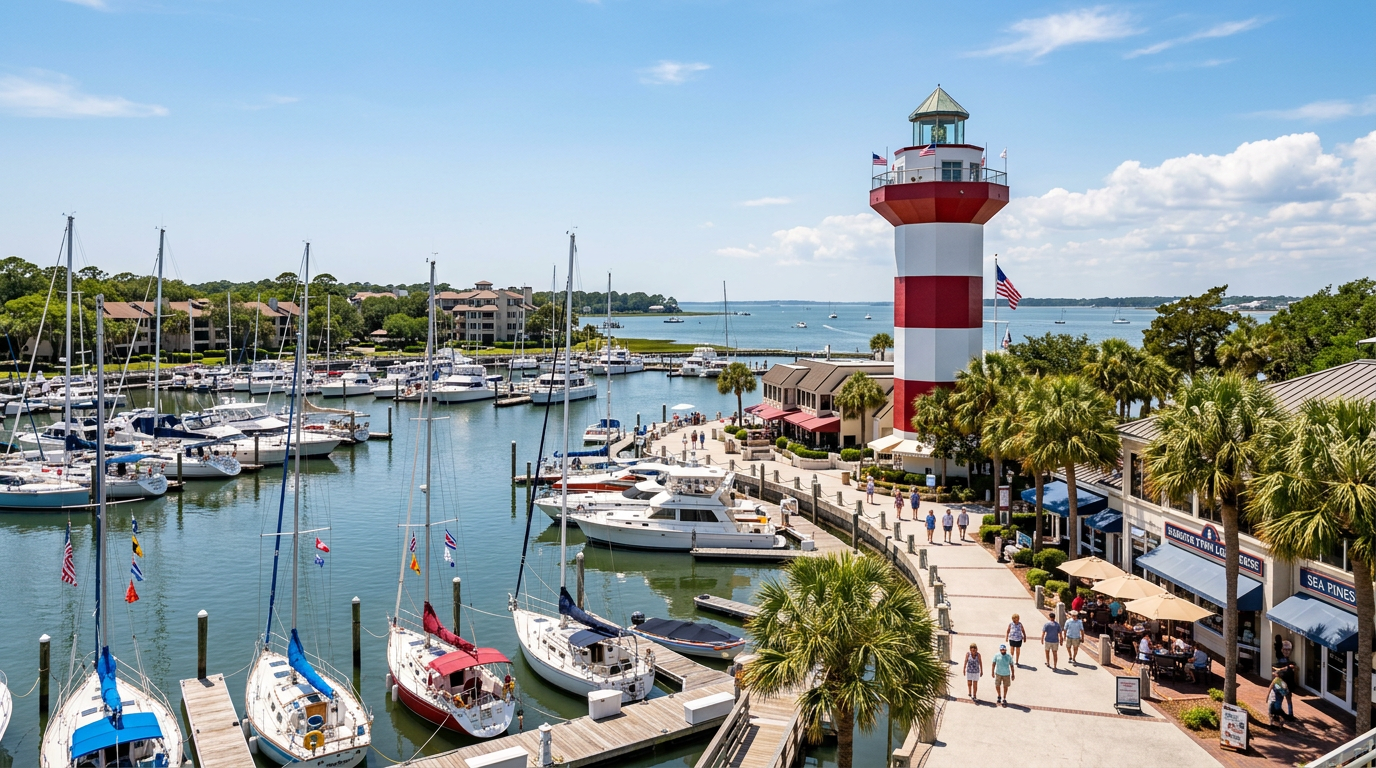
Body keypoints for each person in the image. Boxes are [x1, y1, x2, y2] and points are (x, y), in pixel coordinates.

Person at [1272, 645, 1297, 721]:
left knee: (1285, 699)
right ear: (1282, 650)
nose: (1286, 651)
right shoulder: (1280, 661)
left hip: (1286, 684)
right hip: (1281, 683)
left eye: (1288, 650)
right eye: (1285, 649)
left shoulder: (1290, 663)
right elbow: (1275, 671)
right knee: (1280, 699)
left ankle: (1288, 715)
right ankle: (1279, 715)